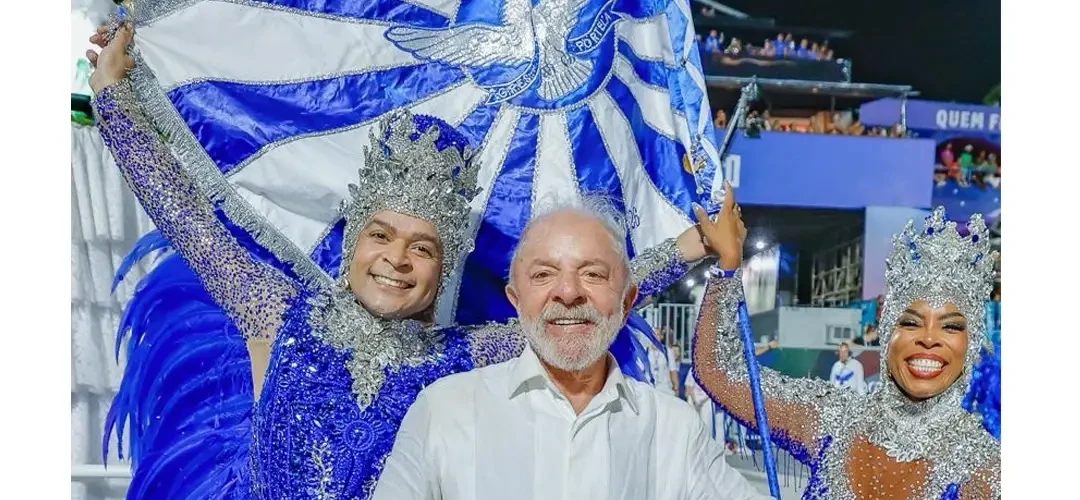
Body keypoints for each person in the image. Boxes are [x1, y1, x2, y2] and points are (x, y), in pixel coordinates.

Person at [87, 23, 714, 500]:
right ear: (354, 242)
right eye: (381, 237)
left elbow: (572, 306)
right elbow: (184, 215)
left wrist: (693, 247)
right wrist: (113, 96)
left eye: (422, 248)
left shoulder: (459, 358)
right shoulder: (276, 312)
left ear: (442, 270)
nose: (396, 260)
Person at [371, 193, 767, 500]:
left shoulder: (673, 429)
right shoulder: (443, 410)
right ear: (516, 300)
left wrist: (715, 253)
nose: (568, 292)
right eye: (544, 274)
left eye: (592, 274)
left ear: (627, 301)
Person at [690, 198, 1000, 498]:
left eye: (951, 326)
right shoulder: (836, 419)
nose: (929, 338)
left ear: (970, 344)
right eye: (910, 322)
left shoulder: (983, 468)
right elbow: (719, 371)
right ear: (886, 333)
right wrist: (727, 268)